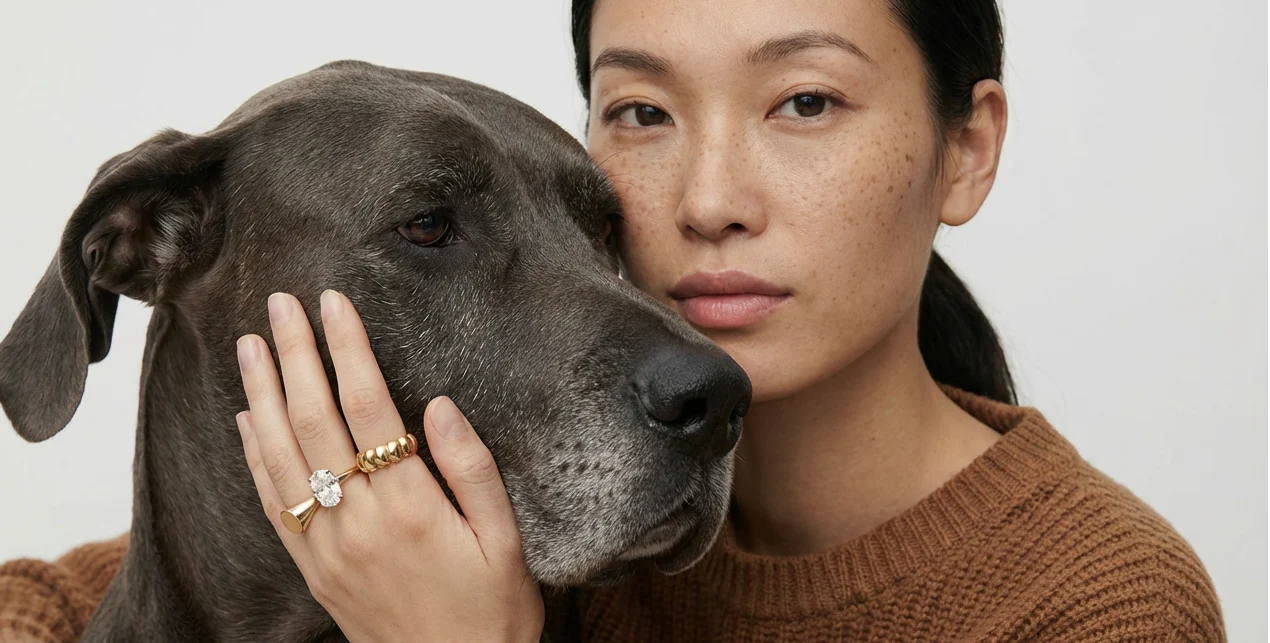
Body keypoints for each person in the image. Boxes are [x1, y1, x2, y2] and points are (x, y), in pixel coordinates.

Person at [0, 0, 1226, 641]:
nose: (707, 200)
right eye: (641, 114)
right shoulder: (531, 526)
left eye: (803, 100)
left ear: (967, 149)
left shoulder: (1091, 607)